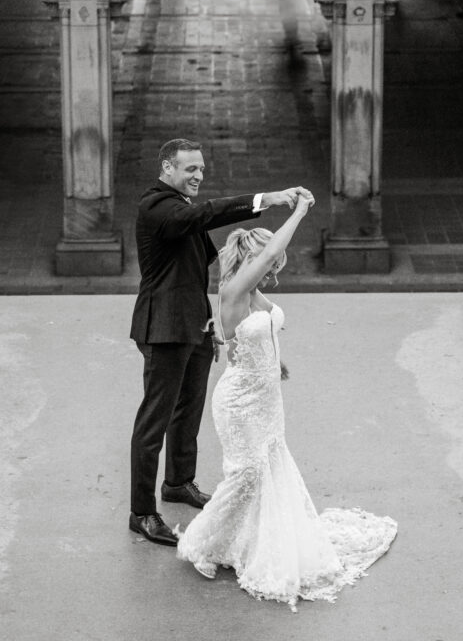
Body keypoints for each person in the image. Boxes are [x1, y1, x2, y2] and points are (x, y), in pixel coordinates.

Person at [176, 193, 397, 611]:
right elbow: (274, 249)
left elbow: (252, 338)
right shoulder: (234, 288)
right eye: (269, 263)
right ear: (252, 259)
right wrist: (298, 212)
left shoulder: (253, 292)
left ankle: (247, 540)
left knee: (268, 469)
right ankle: (202, 542)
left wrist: (278, 364)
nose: (273, 269)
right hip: (240, 402)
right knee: (246, 474)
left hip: (266, 397)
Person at [129, 137, 309, 546]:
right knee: (154, 420)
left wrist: (219, 312)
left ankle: (178, 482)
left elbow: (207, 261)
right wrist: (269, 199)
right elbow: (210, 215)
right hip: (163, 328)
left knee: (187, 410)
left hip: (195, 324)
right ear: (166, 168)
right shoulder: (157, 206)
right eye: (190, 168)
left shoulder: (183, 210)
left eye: (202, 169)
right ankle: (141, 512)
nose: (198, 175)